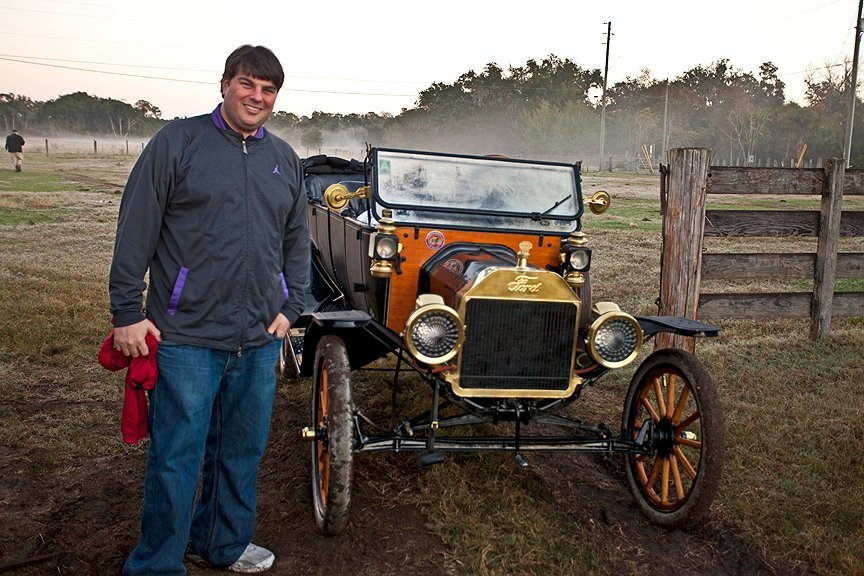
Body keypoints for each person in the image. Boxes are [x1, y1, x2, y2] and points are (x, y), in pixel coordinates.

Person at [109, 45, 309, 575]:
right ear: (225, 84)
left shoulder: (284, 159)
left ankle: (221, 544)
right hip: (186, 334)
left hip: (259, 336)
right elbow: (135, 231)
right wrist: (127, 312)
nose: (257, 97)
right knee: (177, 456)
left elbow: (296, 243)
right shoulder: (179, 142)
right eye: (248, 84)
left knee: (241, 452)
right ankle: (157, 564)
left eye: (268, 91)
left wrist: (293, 306)